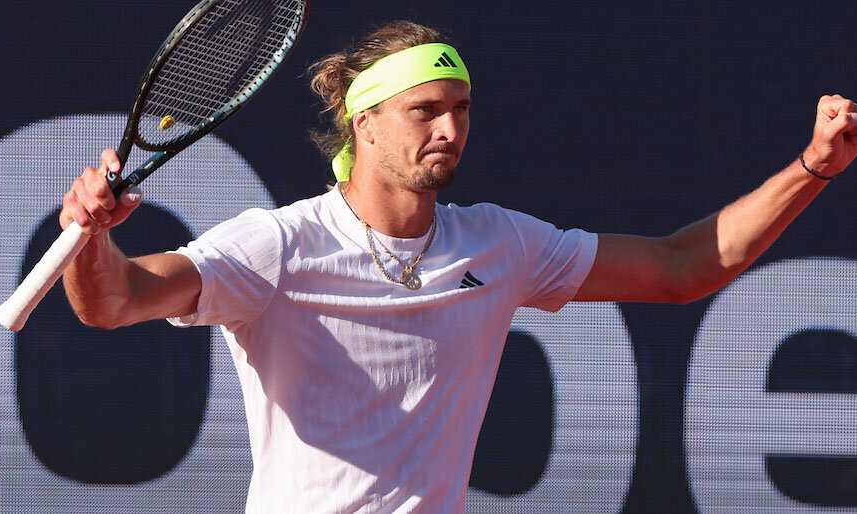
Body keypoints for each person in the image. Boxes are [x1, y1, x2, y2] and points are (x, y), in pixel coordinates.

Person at [60, 20, 857, 514]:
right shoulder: (278, 245)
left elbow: (681, 268)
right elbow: (115, 300)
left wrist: (813, 166)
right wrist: (90, 238)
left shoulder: (498, 246)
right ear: (363, 124)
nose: (449, 127)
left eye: (461, 109)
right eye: (425, 110)